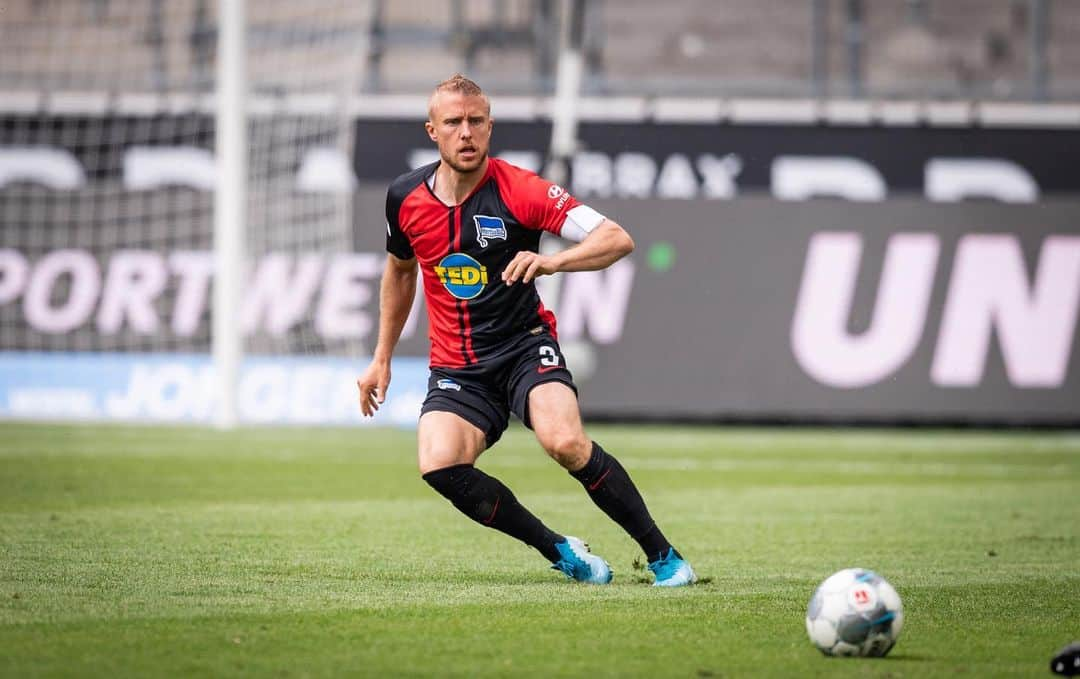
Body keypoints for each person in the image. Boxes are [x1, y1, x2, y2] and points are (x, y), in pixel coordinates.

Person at [356, 74, 694, 587]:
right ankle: (560, 550)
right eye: (454, 123)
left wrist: (554, 263)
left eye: (476, 121)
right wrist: (381, 356)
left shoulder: (523, 191)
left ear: (490, 127)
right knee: (438, 463)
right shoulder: (404, 198)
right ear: (433, 131)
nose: (466, 132)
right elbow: (400, 273)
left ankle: (664, 557)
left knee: (564, 442)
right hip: (458, 367)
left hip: (523, 348)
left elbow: (616, 238)